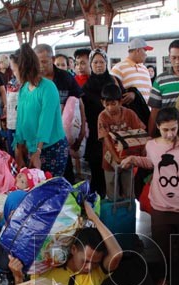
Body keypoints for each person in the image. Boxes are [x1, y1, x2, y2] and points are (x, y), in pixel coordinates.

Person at [121, 106, 179, 285]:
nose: (170, 134)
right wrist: (134, 159)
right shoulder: (151, 145)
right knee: (163, 249)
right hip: (160, 207)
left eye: (174, 129)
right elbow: (151, 163)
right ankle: (164, 278)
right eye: (165, 130)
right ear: (158, 128)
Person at [13, 43, 69, 176]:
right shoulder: (24, 89)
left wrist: (38, 152)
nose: (13, 74)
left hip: (51, 148)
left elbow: (46, 122)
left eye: (14, 70)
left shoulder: (48, 88)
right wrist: (19, 150)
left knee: (50, 189)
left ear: (22, 68)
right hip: (32, 148)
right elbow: (20, 121)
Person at [35, 43, 86, 182]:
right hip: (39, 141)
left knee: (66, 178)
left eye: (44, 61)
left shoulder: (66, 77)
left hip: (61, 140)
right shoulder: (32, 81)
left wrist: (82, 132)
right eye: (37, 62)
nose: (41, 65)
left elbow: (79, 103)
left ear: (52, 59)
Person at [82, 48, 123, 197]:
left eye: (102, 62)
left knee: (114, 170)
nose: (99, 65)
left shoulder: (114, 81)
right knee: (97, 169)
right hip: (95, 136)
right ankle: (97, 203)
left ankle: (114, 202)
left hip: (114, 133)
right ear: (91, 65)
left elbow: (123, 100)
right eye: (95, 62)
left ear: (106, 63)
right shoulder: (86, 87)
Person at [97, 83, 145, 199]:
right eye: (106, 104)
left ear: (120, 102)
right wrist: (116, 158)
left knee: (129, 189)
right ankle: (114, 215)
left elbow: (141, 133)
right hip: (110, 159)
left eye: (113, 104)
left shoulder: (130, 114)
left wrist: (142, 152)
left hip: (128, 158)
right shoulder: (103, 116)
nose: (110, 108)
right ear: (102, 102)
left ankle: (129, 213)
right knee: (112, 189)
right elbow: (106, 139)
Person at [147, 39, 179, 135]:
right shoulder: (160, 80)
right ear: (169, 57)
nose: (177, 62)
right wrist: (150, 135)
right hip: (168, 134)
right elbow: (155, 111)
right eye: (173, 58)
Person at [111, 37, 153, 105]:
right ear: (138, 50)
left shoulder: (145, 69)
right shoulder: (118, 68)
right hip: (129, 113)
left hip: (147, 113)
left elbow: (149, 92)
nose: (146, 54)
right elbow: (113, 93)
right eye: (145, 51)